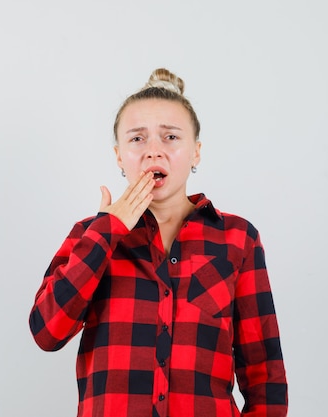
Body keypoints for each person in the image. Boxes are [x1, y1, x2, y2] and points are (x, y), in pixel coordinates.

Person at [29, 68, 288, 417]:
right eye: (137, 139)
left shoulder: (238, 239)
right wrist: (107, 231)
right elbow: (47, 332)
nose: (153, 151)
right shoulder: (89, 236)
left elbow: (264, 375)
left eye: (170, 138)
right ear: (120, 156)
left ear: (195, 152)